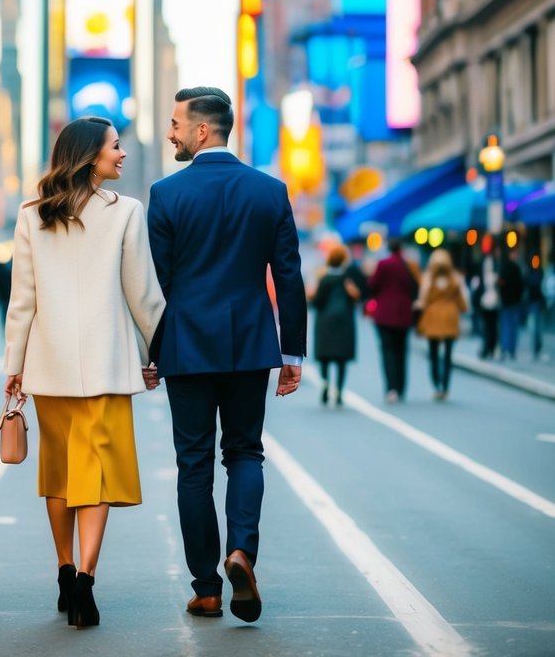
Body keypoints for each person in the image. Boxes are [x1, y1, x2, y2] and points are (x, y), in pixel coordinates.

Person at [146, 87, 306, 624]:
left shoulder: (166, 195)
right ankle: (242, 551)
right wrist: (293, 353)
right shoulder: (270, 191)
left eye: (175, 124)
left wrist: (150, 352)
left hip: (186, 346)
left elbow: (157, 285)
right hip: (249, 345)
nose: (170, 132)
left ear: (201, 131)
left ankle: (206, 589)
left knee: (193, 467)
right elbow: (288, 276)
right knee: (245, 453)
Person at [4, 116, 165, 630]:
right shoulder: (126, 213)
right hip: (106, 366)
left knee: (57, 472)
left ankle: (64, 567)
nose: (121, 154)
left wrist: (14, 368)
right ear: (90, 155)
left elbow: (21, 302)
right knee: (94, 472)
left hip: (47, 366)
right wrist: (154, 351)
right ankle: (86, 582)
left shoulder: (33, 214)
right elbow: (143, 295)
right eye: (115, 147)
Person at [309, 243, 364, 406]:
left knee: (325, 356)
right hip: (344, 320)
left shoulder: (324, 278)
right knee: (341, 358)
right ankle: (339, 390)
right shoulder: (348, 279)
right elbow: (356, 298)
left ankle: (325, 382)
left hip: (325, 320)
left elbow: (318, 301)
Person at [367, 238, 419, 403]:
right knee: (402, 351)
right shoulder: (408, 265)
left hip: (384, 314)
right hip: (403, 314)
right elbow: (414, 286)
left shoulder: (383, 264)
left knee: (387, 351)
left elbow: (373, 285)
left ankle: (391, 388)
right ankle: (401, 387)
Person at [415, 248, 469, 400]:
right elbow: (463, 303)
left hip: (432, 318)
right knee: (447, 355)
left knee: (433, 354)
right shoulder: (455, 279)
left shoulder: (428, 280)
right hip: (450, 318)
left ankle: (436, 383)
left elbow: (423, 300)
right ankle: (445, 386)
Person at [498, 245, 524, 359]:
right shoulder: (513, 268)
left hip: (511, 301)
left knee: (509, 326)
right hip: (510, 301)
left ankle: (508, 349)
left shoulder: (511, 268)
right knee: (509, 326)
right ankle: (507, 349)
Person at [474, 250, 500, 358]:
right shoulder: (489, 273)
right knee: (490, 326)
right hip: (488, 301)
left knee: (490, 326)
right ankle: (489, 348)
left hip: (490, 300)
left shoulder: (492, 273)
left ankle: (489, 348)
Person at [524, 256, 546, 359]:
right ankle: (535, 348)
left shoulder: (540, 272)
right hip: (532, 303)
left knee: (538, 327)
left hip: (538, 303)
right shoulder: (530, 273)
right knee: (533, 327)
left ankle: (538, 347)